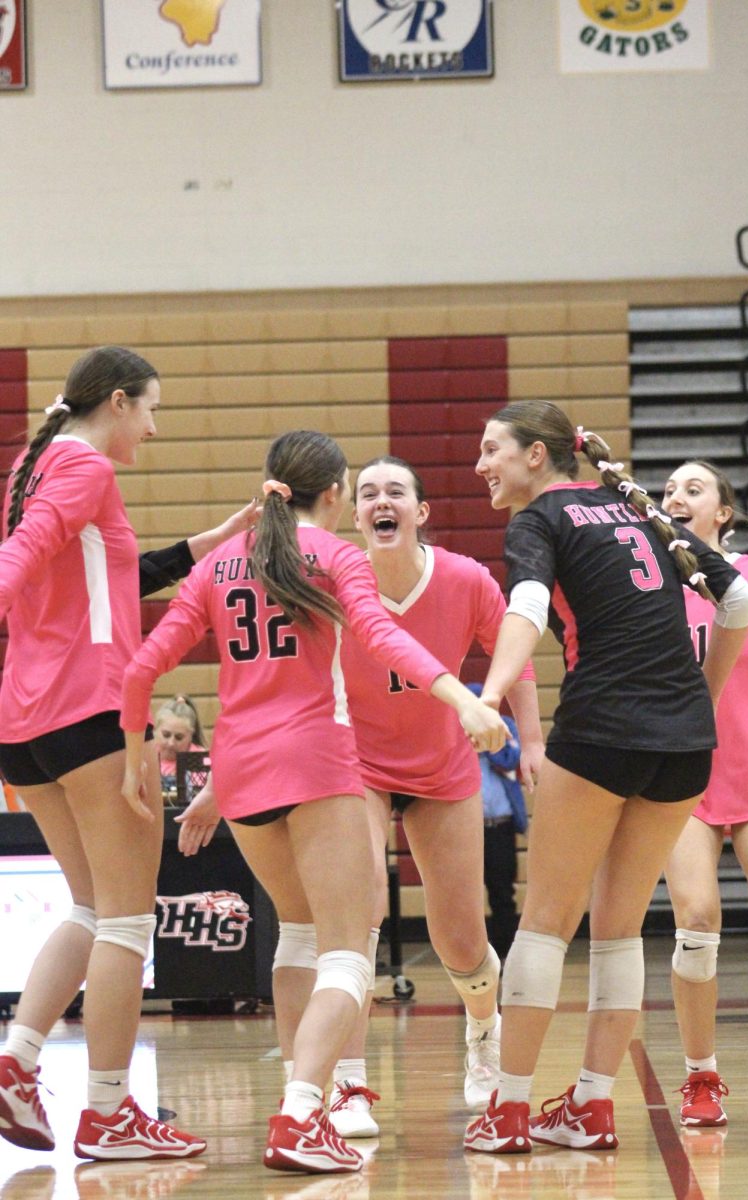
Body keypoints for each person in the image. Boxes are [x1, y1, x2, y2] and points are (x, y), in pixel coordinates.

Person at [118, 431, 508, 1175]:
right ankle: (303, 1111)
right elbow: (385, 638)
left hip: (240, 773)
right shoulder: (336, 558)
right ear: (335, 496)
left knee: (296, 938)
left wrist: (141, 763)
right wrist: (460, 696)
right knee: (348, 945)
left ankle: (319, 1101)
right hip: (315, 760)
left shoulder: (218, 567)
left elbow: (141, 669)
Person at [463, 400, 748, 1156]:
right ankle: (591, 1106)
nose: (481, 465)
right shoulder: (637, 510)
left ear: (537, 457)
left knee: (547, 921)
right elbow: (738, 598)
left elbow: (526, 604)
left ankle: (510, 1110)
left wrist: (489, 695)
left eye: (493, 449)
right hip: (686, 740)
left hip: (602, 728)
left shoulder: (539, 521)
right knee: (619, 927)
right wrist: (704, 696)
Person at [0, 345, 222, 1161]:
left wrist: (212, 542)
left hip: (24, 724)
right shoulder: (86, 468)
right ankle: (108, 1114)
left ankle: (16, 1060)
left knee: (93, 910)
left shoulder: (36, 461)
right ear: (119, 401)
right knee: (128, 922)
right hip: (88, 710)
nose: (155, 428)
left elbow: (105, 581)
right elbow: (23, 558)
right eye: (151, 409)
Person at [661, 460, 748, 1127]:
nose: (676, 497)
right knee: (696, 921)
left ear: (722, 512)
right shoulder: (650, 584)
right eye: (667, 491)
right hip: (682, 780)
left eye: (693, 489)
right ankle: (701, 1077)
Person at [466, 681, 528, 962]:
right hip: (466, 829)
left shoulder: (505, 726)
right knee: (464, 896)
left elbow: (510, 758)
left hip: (500, 827)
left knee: (503, 893)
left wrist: (488, 737)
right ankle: (471, 957)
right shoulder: (454, 732)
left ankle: (506, 954)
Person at [154, 695, 207, 793]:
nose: (171, 743)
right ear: (155, 731)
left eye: (179, 737)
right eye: (166, 735)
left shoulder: (201, 760)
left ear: (190, 736)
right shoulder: (144, 757)